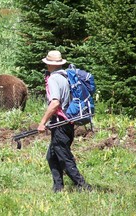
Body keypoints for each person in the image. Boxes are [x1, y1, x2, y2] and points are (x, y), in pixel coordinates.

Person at [37, 50, 92, 193]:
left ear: (49, 64)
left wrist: (43, 122)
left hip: (61, 122)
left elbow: (55, 103)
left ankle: (83, 186)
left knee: (64, 157)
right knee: (52, 155)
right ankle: (58, 188)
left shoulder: (54, 79)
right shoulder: (66, 75)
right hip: (67, 122)